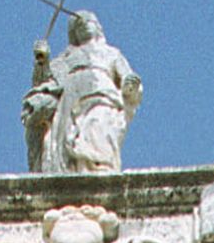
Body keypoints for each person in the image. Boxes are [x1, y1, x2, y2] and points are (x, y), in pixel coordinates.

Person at [23, 11, 141, 176]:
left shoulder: (111, 53)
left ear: (98, 27)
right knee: (71, 137)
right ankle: (76, 171)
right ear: (74, 33)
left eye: (88, 21)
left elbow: (128, 77)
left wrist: (130, 85)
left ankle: (101, 170)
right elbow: (46, 83)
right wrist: (42, 61)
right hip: (72, 100)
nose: (84, 24)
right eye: (78, 24)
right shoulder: (67, 57)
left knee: (99, 128)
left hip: (102, 95)